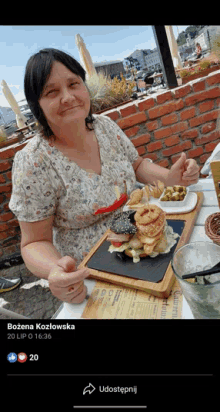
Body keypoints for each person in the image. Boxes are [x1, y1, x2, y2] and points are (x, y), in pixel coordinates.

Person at [9, 49, 200, 305]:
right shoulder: (33, 161)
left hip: (146, 242)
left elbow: (137, 165)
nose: (68, 97)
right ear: (37, 105)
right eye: (51, 92)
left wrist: (170, 177)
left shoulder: (105, 126)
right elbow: (34, 242)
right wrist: (55, 270)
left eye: (74, 84)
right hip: (91, 275)